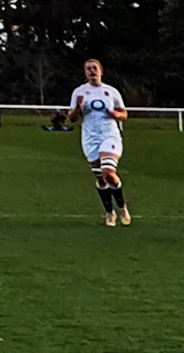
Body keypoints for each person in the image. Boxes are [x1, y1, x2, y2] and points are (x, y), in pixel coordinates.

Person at [66, 58, 130, 227]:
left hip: (109, 135)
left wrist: (116, 115)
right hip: (90, 138)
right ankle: (110, 213)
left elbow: (124, 114)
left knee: (109, 172)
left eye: (94, 68)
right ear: (85, 73)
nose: (92, 71)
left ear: (101, 71)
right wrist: (79, 109)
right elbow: (72, 118)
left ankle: (122, 207)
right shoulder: (79, 92)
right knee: (101, 179)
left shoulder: (111, 92)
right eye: (88, 69)